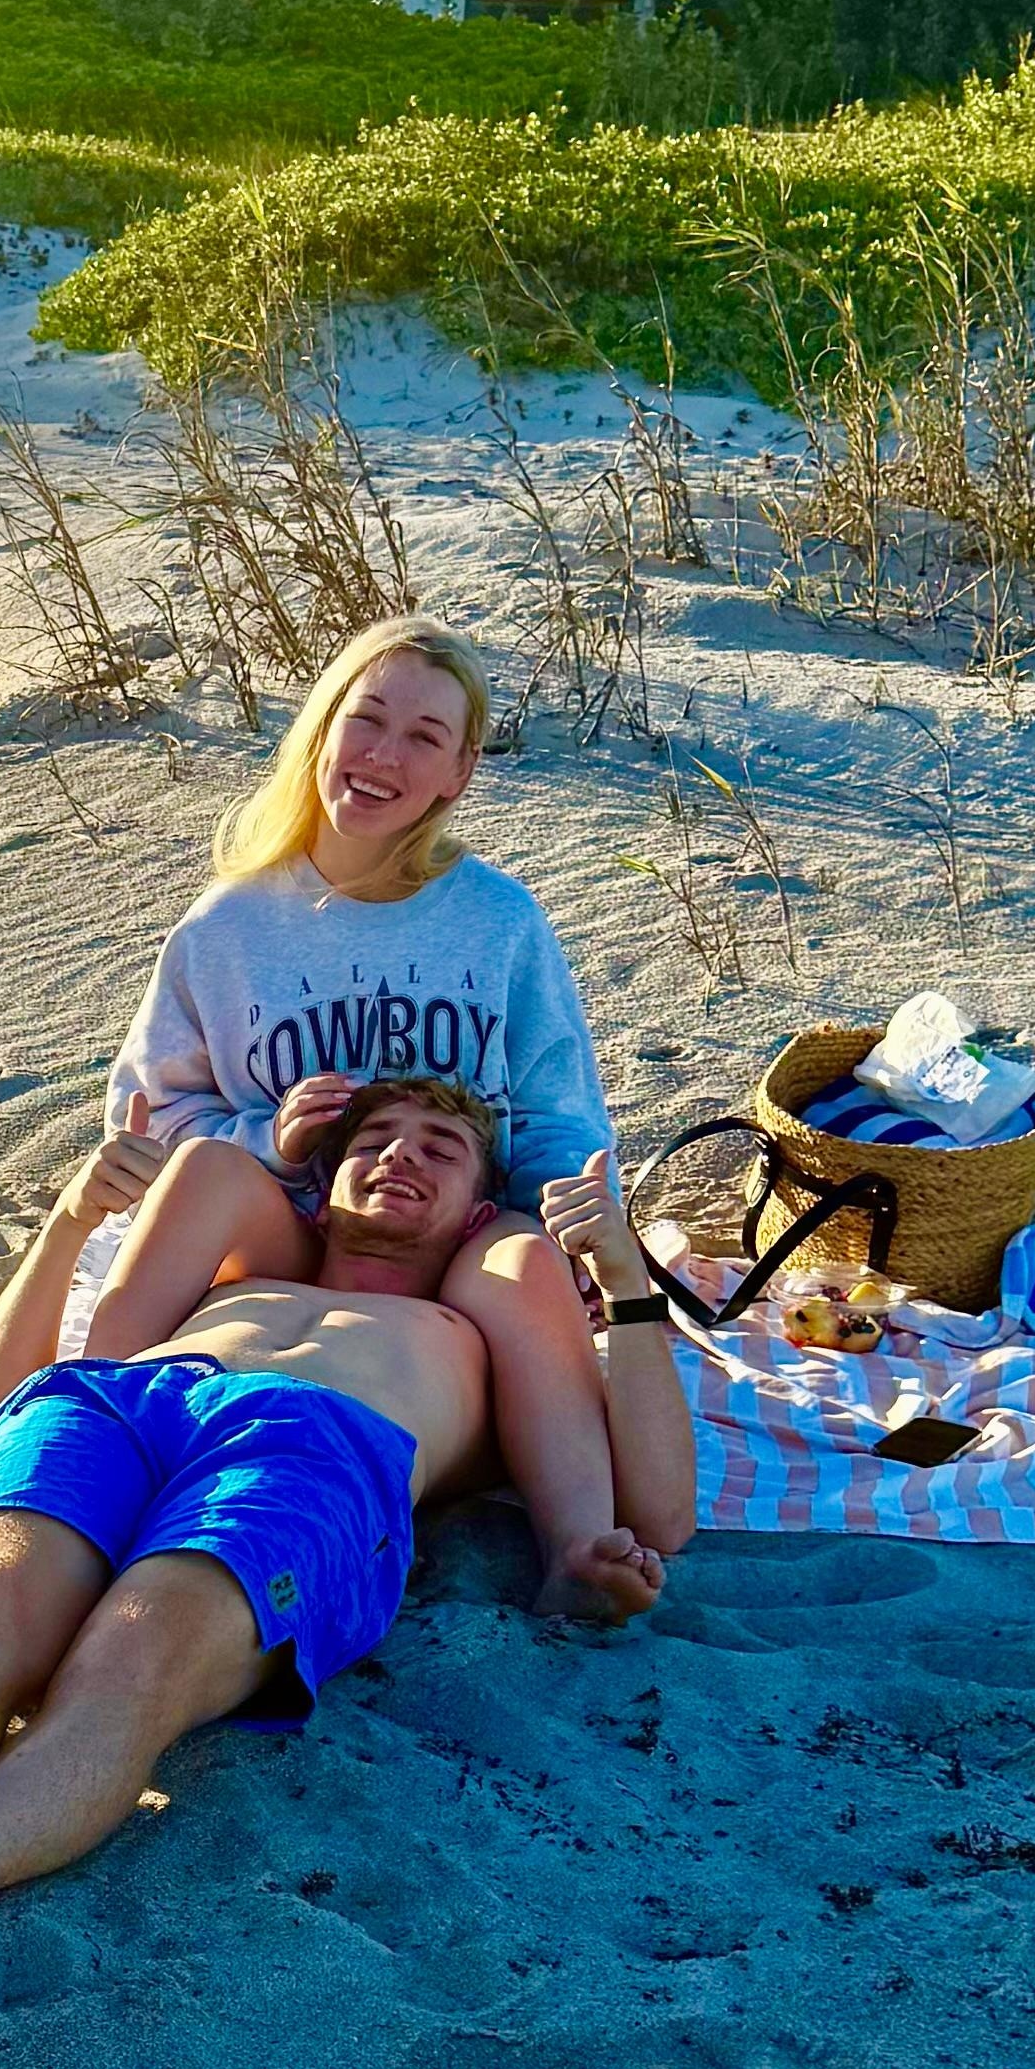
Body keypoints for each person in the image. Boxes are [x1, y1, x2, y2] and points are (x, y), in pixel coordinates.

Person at [0, 1078, 696, 1973]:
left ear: (478, 1211)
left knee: (136, 1658)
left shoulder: (478, 1308)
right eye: (374, 1139)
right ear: (321, 1189)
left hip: (316, 1441)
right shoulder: (242, 1268)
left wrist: (624, 1284)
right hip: (117, 1402)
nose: (401, 1154)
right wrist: (73, 1217)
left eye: (441, 1148)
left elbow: (656, 1513)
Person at [102, 613, 632, 1613]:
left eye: (424, 737)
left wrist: (570, 1232)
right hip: (293, 1229)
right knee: (209, 1177)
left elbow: (558, 1109)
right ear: (322, 727)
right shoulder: (230, 925)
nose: (385, 755)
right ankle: (90, 1428)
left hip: (454, 1228)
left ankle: (575, 1547)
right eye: (367, 718)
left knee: (524, 1263)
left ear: (458, 772)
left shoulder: (498, 920)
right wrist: (270, 1139)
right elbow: (150, 1117)